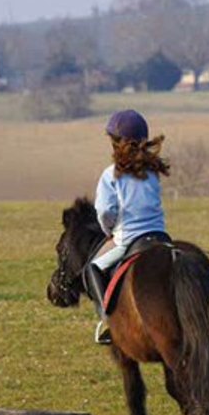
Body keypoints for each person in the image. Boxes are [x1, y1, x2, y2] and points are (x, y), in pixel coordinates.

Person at [86, 109, 169, 344]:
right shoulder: (153, 171)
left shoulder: (111, 174)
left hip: (128, 238)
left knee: (92, 267)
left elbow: (104, 211)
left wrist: (108, 229)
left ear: (115, 143)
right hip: (161, 235)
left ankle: (107, 321)